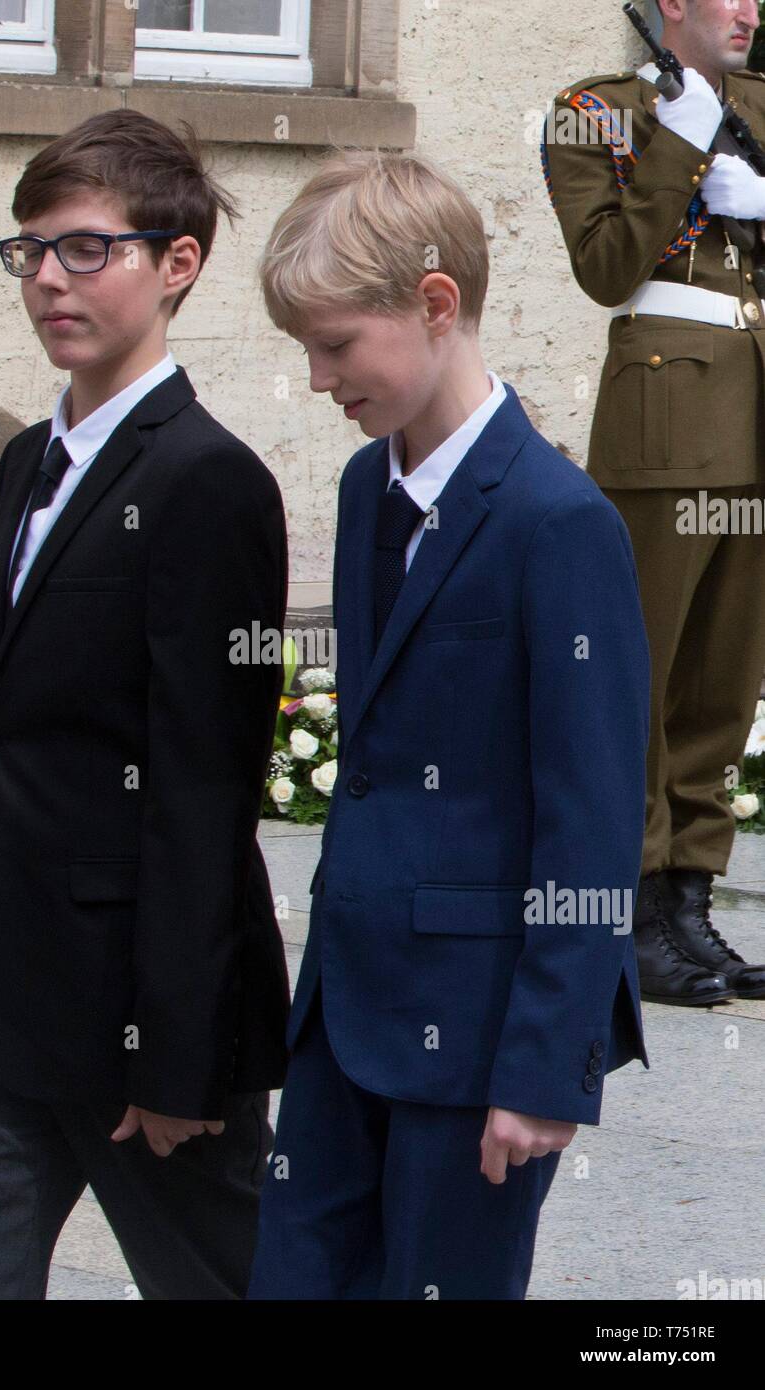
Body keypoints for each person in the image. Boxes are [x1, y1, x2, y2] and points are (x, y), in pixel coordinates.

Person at [0, 109, 290, 1300]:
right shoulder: (19, 462)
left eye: (84, 249)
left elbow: (202, 787)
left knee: (232, 1284)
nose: (48, 280)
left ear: (177, 265)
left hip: (135, 1017)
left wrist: (177, 1057)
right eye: (29, 253)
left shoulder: (209, 481)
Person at [246, 150, 651, 1301]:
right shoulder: (362, 490)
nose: (320, 379)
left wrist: (545, 1067)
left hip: (476, 1046)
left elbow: (591, 816)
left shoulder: (558, 521)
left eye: (334, 345)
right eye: (305, 351)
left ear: (434, 305)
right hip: (343, 1018)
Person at [542, 0, 765, 1006]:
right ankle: (630, 912)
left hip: (756, 421)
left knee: (723, 680)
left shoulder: (761, 105)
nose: (750, 11)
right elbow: (605, 269)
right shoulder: (593, 112)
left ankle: (686, 904)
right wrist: (677, 146)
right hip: (667, 418)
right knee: (645, 665)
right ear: (669, 3)